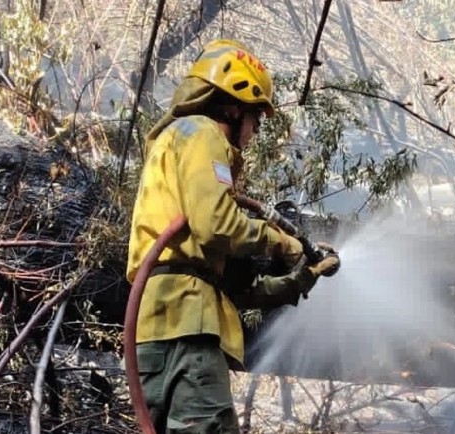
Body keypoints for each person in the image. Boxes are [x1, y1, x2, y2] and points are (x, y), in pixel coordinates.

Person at [126, 39, 339, 433]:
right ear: (234, 105)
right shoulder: (203, 133)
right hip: (188, 328)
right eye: (255, 120)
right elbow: (218, 224)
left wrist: (303, 277)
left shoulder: (174, 146)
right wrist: (282, 242)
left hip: (154, 326)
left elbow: (238, 291)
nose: (255, 132)